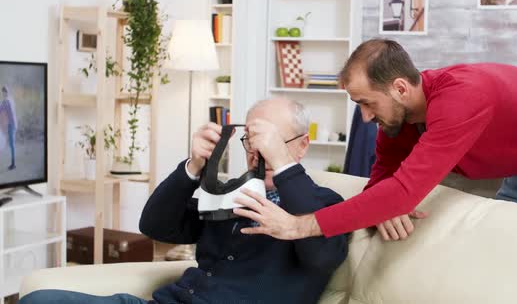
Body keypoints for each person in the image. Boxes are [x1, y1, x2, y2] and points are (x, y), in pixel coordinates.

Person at [232, 38, 517, 243]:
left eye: (367, 104)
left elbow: (404, 191)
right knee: (503, 255)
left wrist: (299, 225)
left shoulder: (460, 99)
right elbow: (383, 180)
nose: (366, 118)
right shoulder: (399, 121)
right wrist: (379, 211)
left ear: (400, 88)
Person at [19, 98, 348, 304]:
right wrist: (193, 166)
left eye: (271, 140)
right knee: (39, 300)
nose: (257, 151)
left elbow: (322, 257)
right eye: (252, 140)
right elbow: (155, 225)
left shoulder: (325, 204)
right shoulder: (229, 192)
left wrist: (283, 166)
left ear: (302, 146)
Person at [0, 85, 17, 170]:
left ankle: (13, 164)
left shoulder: (6, 101)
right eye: (3, 92)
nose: (4, 93)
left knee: (11, 144)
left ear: (7, 92)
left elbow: (1, 109)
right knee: (11, 144)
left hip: (12, 125)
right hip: (13, 124)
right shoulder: (10, 99)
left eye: (5, 91)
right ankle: (13, 163)